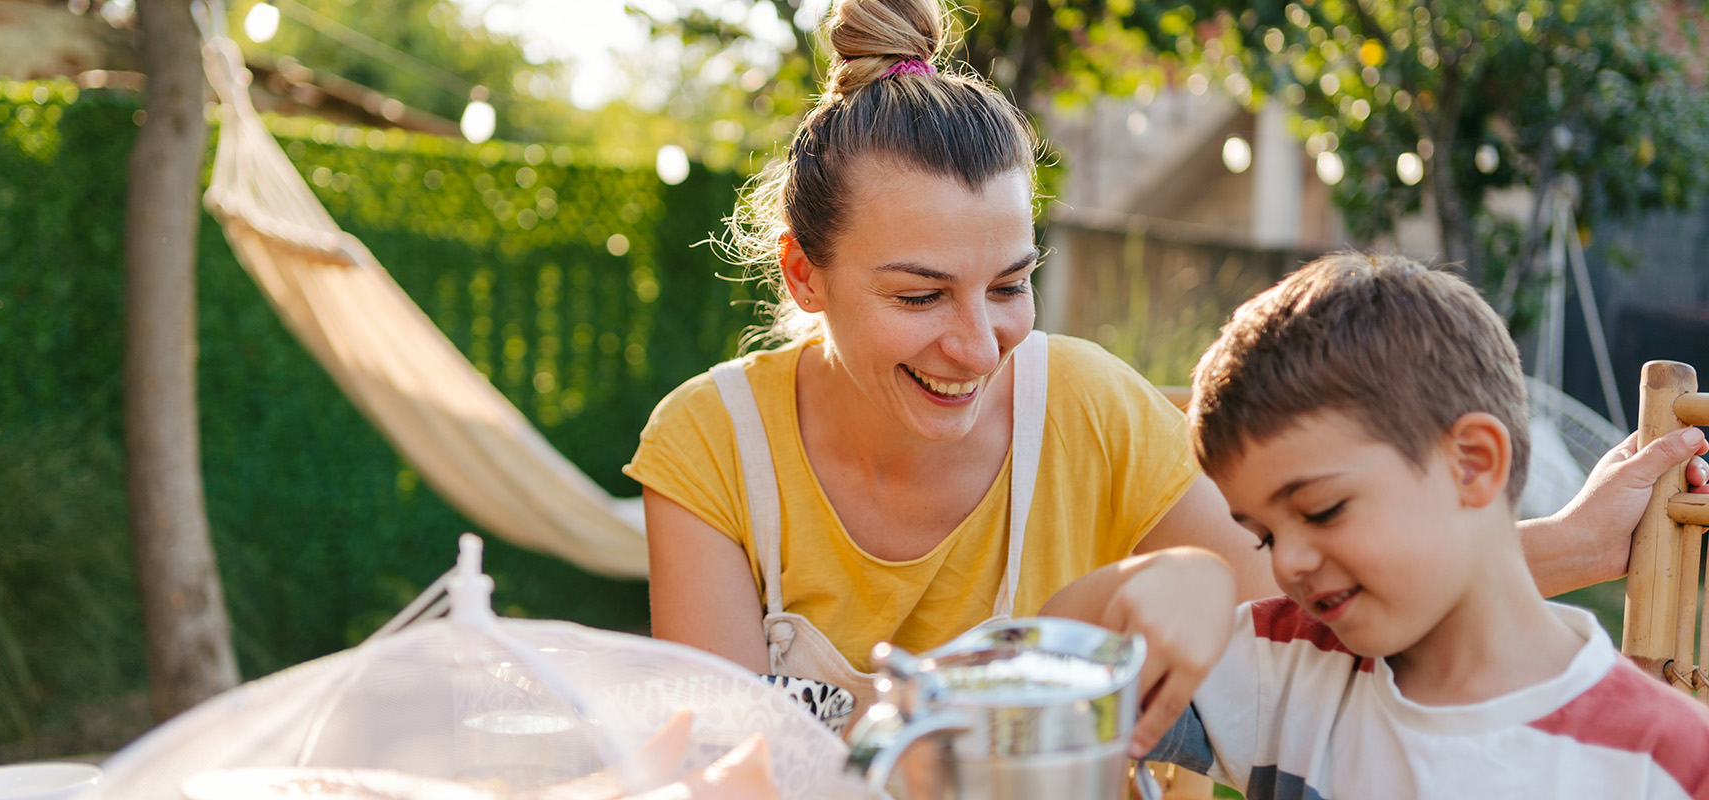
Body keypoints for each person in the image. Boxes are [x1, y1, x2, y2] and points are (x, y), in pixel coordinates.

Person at [624, 0, 1709, 742]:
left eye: (1009, 283)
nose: (977, 343)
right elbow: (718, 767)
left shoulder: (1087, 407)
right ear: (804, 274)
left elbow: (1303, 604)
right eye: (919, 296)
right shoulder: (713, 447)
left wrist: (1572, 539)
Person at [1054, 253, 1709, 798]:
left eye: (1321, 510)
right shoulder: (1285, 665)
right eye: (1265, 535)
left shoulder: (1669, 764)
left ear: (1473, 464)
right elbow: (1031, 667)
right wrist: (1169, 576)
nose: (1288, 565)